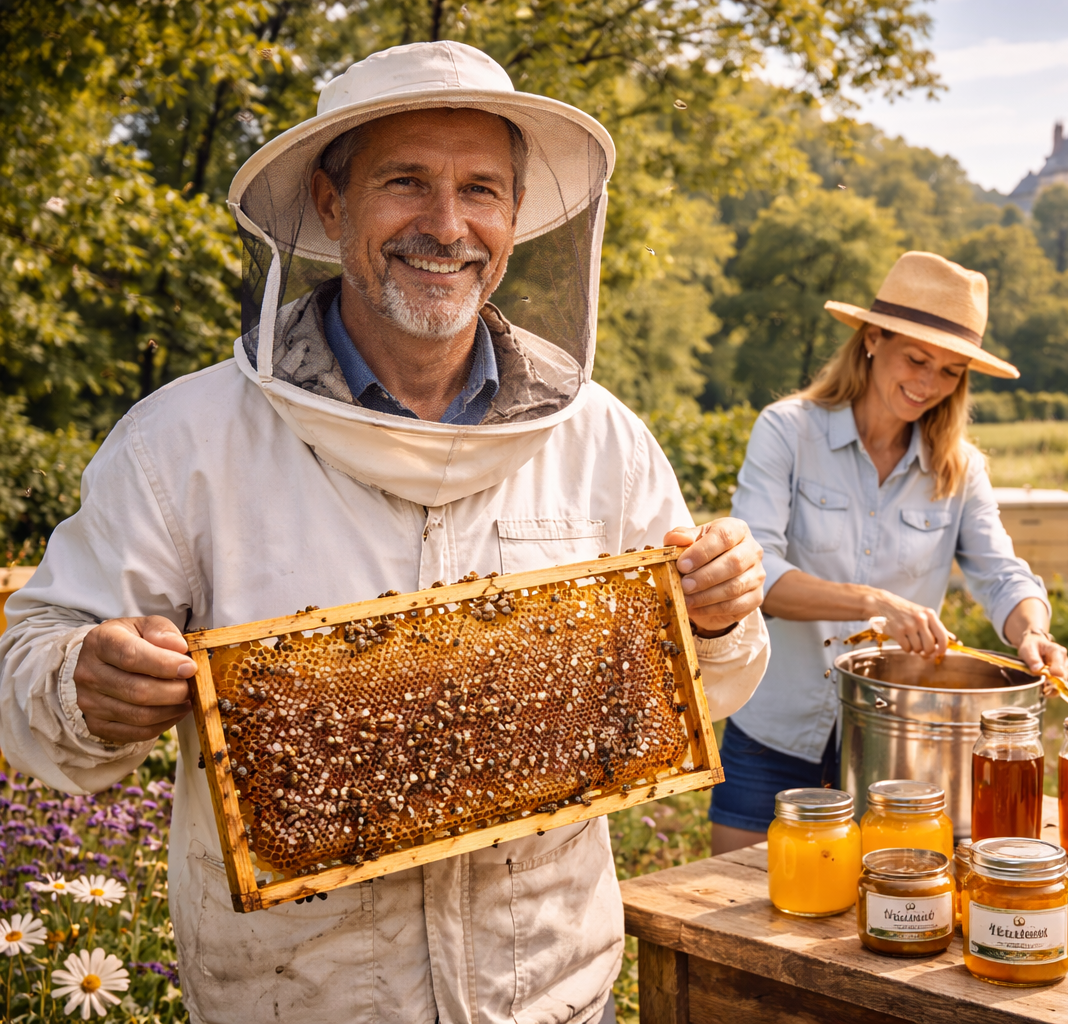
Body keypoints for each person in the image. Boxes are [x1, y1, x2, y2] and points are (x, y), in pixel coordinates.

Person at [0, 41, 769, 1024]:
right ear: (332, 205)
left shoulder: (599, 438)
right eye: (406, 182)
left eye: (480, 190)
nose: (446, 225)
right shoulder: (180, 442)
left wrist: (715, 618)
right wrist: (83, 679)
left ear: (515, 216)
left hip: (550, 998)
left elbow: (707, 688)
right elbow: (30, 683)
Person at [709, 250, 1068, 855]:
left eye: (951, 371)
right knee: (735, 915)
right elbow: (759, 573)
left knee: (881, 918)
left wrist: (1032, 632)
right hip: (774, 734)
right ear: (873, 339)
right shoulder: (787, 431)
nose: (929, 383)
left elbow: (1002, 573)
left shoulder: (961, 469)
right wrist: (875, 603)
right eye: (917, 358)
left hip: (899, 746)